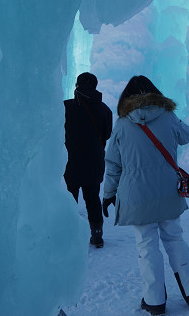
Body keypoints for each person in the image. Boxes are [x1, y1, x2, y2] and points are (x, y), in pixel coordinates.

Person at [101, 75, 189, 315]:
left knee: (146, 247)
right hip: (167, 192)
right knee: (175, 239)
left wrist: (108, 194)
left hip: (136, 196)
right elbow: (187, 135)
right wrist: (170, 117)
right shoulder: (168, 116)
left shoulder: (122, 124)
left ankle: (154, 302)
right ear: (155, 92)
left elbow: (113, 165)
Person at [63, 72, 113, 248]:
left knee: (69, 198)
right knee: (92, 198)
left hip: (70, 162)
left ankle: (68, 235)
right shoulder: (105, 109)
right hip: (94, 161)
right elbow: (106, 134)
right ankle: (97, 234)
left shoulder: (66, 107)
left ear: (77, 85)